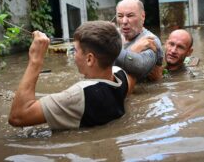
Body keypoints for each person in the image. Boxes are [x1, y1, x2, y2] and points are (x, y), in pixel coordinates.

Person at [8, 21, 136, 129]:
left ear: (90, 59)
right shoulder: (121, 75)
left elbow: (17, 117)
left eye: (75, 50)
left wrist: (35, 60)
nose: (73, 55)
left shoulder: (79, 94)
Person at [114, 0, 163, 81]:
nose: (124, 21)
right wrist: (133, 50)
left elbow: (139, 67)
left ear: (143, 16)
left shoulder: (150, 41)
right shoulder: (113, 35)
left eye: (130, 15)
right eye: (120, 16)